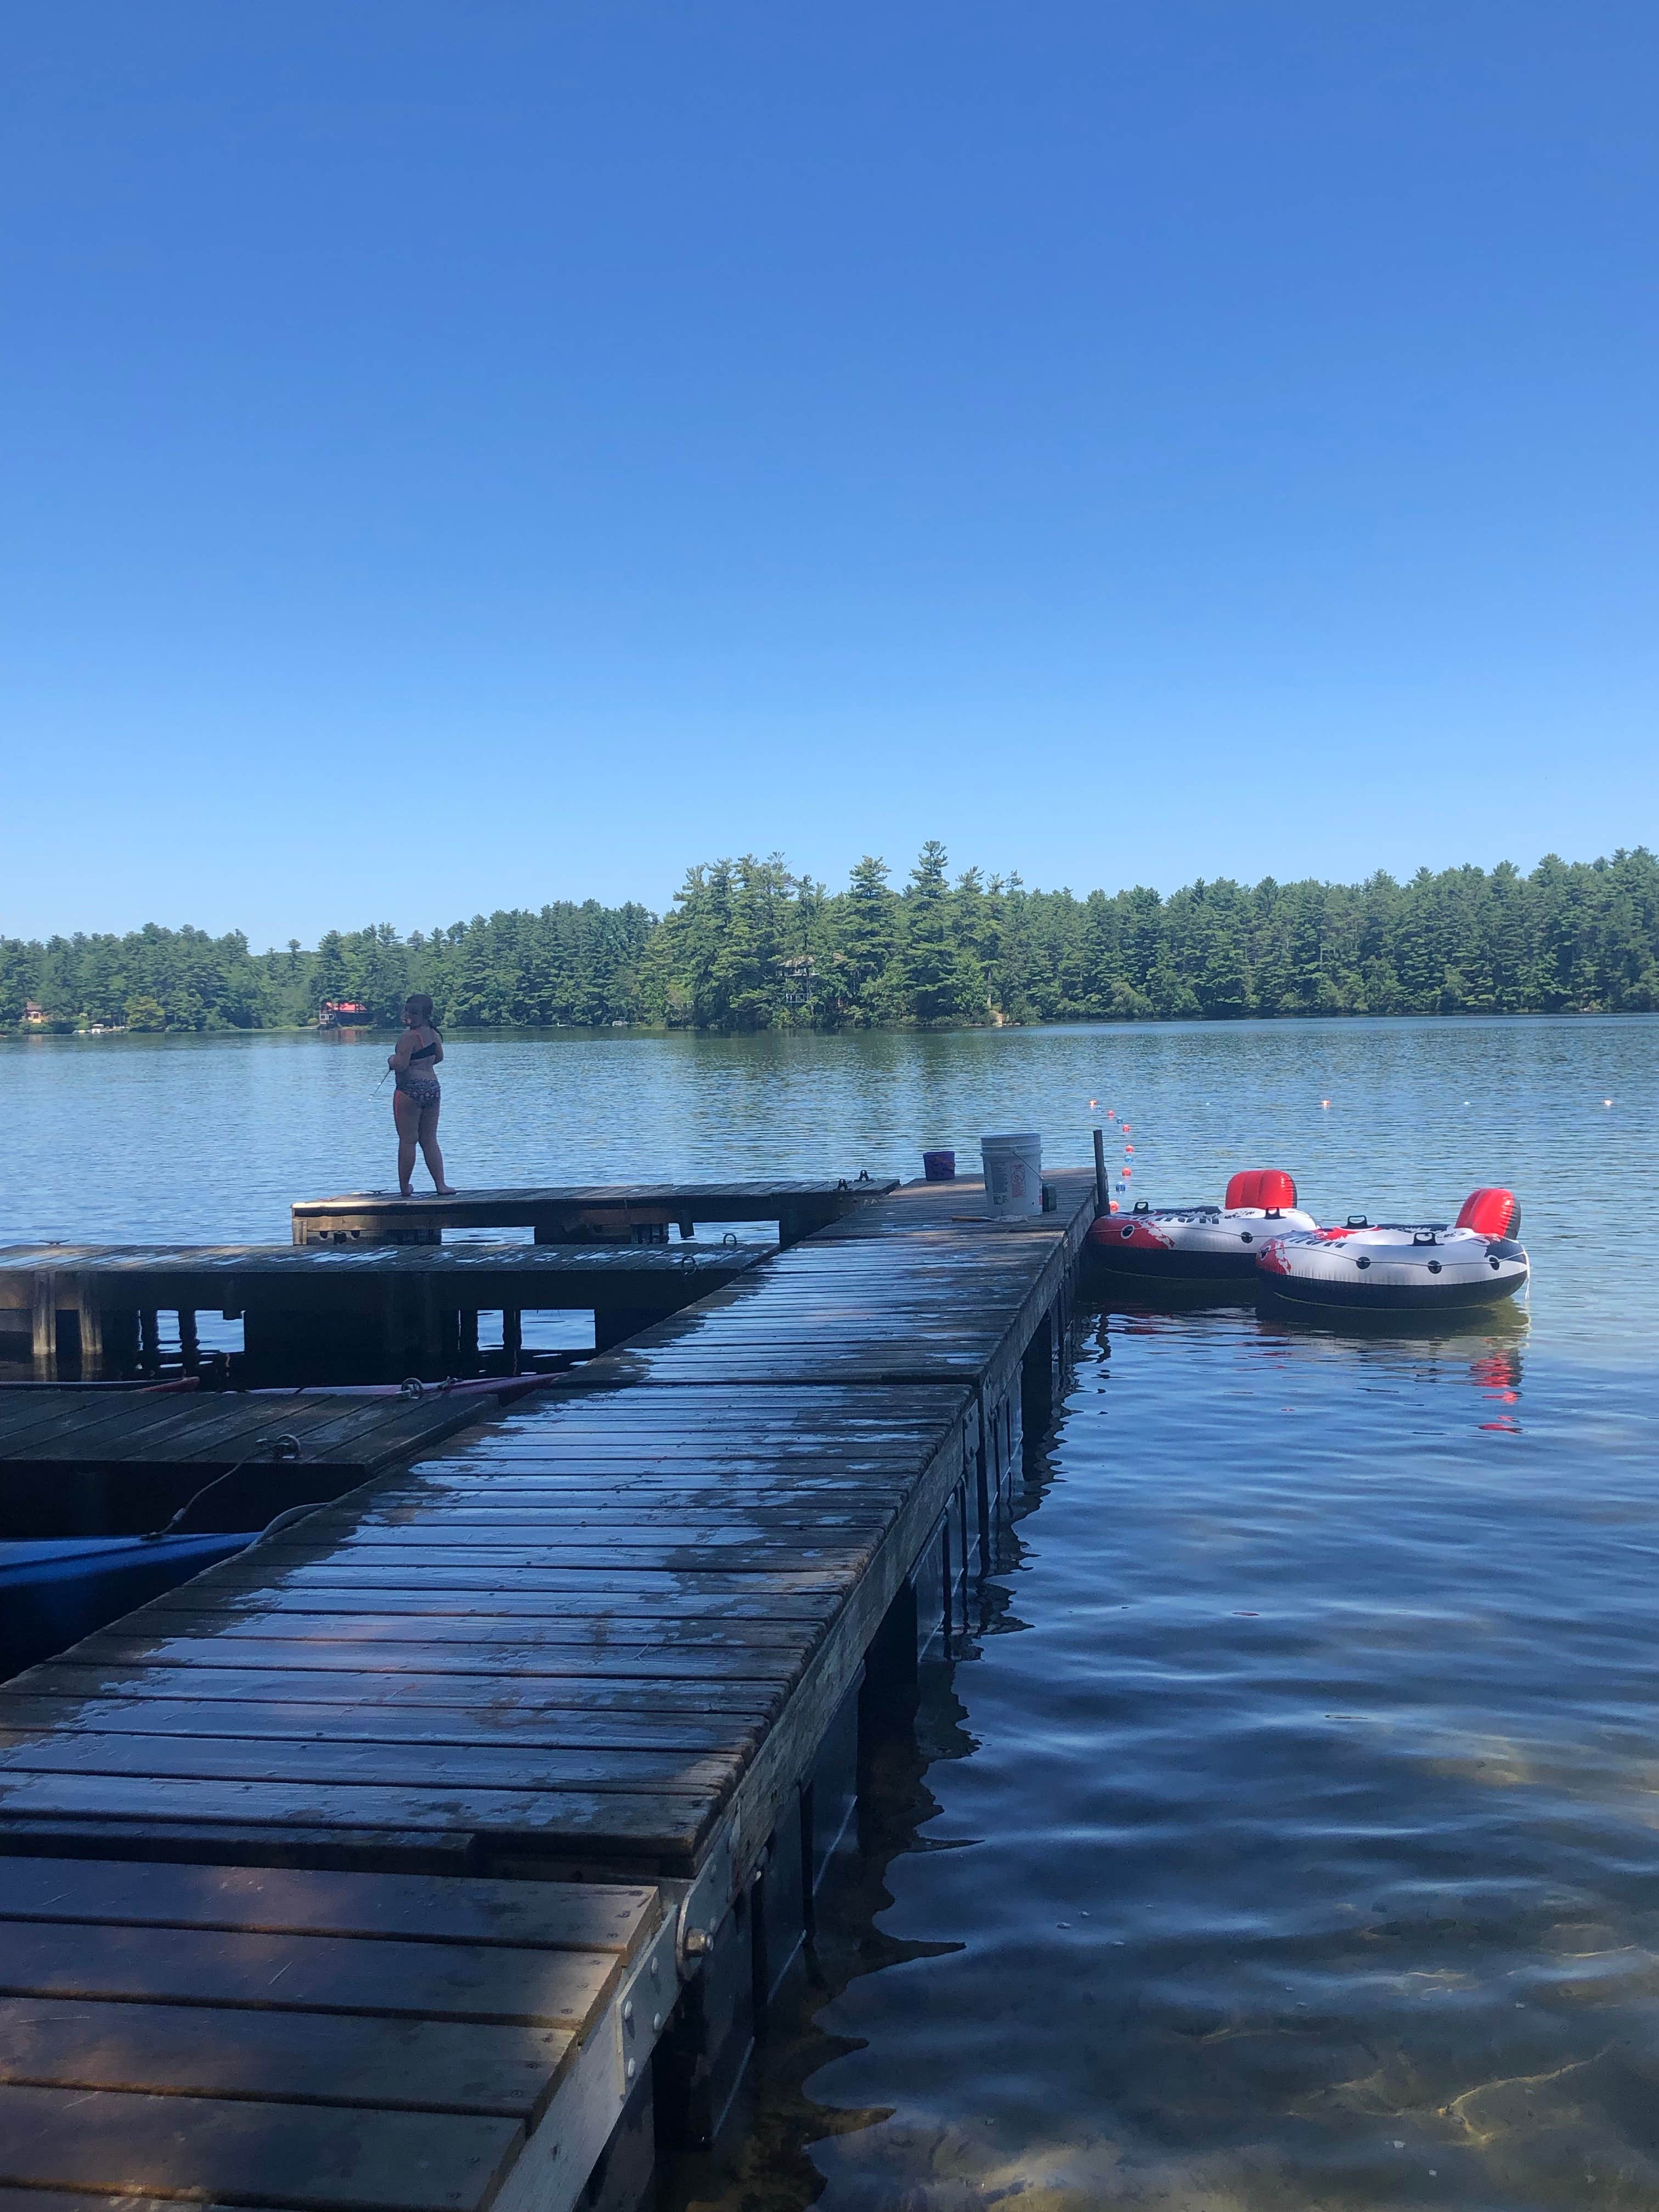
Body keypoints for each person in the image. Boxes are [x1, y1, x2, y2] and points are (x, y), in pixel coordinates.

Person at [388, 994, 455, 1197]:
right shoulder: (433, 1034)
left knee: (408, 1140)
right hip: (433, 1088)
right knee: (430, 1140)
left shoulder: (408, 1038)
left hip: (409, 1090)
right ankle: (441, 1185)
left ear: (424, 1015)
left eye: (413, 1012)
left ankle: (405, 1188)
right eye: (406, 1010)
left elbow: (400, 1064)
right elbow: (439, 1058)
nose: (407, 1015)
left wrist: (391, 1060)